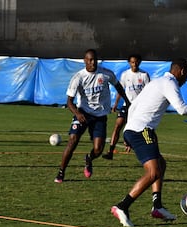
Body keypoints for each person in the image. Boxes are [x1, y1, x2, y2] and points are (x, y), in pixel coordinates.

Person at [110, 58, 187, 227]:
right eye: (186, 77)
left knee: (161, 165)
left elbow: (134, 106)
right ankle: (122, 206)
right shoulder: (170, 83)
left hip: (136, 129)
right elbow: (182, 109)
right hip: (142, 130)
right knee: (153, 173)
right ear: (182, 72)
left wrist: (129, 131)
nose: (185, 81)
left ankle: (157, 207)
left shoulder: (157, 81)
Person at [54, 49, 131, 183]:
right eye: (90, 60)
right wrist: (77, 114)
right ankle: (61, 172)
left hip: (100, 116)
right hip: (83, 113)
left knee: (98, 149)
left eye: (94, 59)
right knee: (72, 141)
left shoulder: (106, 74)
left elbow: (119, 87)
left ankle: (89, 158)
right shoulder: (78, 77)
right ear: (85, 61)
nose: (93, 62)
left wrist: (128, 102)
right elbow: (69, 102)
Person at [102, 54, 150, 160]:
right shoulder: (125, 75)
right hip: (127, 105)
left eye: (136, 62)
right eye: (132, 62)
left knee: (136, 129)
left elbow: (148, 92)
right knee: (118, 125)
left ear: (140, 62)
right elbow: (121, 90)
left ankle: (137, 148)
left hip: (139, 107)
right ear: (129, 63)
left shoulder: (144, 75)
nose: (134, 64)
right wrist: (115, 104)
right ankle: (110, 151)